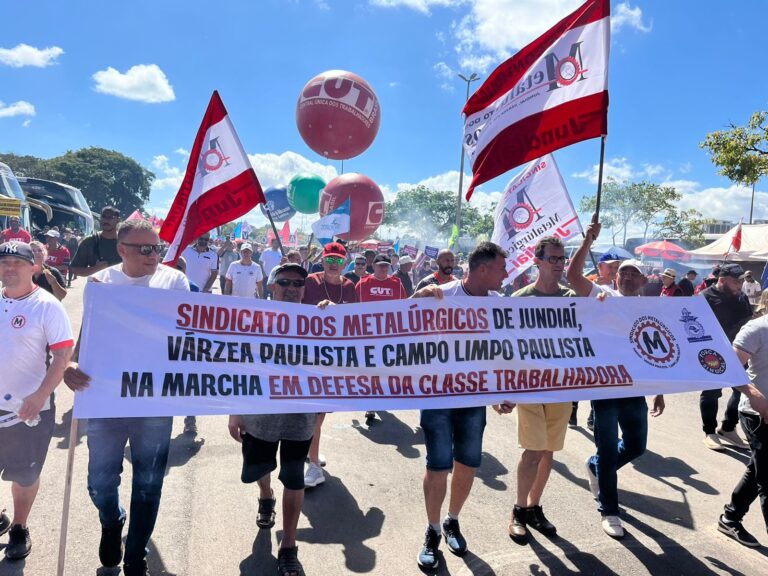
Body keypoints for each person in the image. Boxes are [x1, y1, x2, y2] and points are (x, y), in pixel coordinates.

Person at [63, 220, 189, 576]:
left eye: (157, 248)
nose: (154, 256)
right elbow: (89, 333)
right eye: (145, 249)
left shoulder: (173, 280)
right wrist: (72, 361)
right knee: (100, 481)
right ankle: (111, 519)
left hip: (154, 398)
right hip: (105, 398)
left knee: (149, 482)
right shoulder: (102, 283)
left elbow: (191, 326)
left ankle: (135, 554)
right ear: (122, 249)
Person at [411, 241, 508, 569]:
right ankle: (433, 528)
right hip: (437, 395)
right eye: (501, 268)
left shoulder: (501, 304)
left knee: (468, 462)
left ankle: (452, 519)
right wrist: (416, 299)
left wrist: (503, 391)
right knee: (437, 465)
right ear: (483, 269)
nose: (506, 274)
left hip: (474, 398)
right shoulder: (443, 293)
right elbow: (396, 323)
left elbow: (509, 349)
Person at [567, 216, 665, 539]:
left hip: (635, 388)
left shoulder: (651, 308)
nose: (626, 277)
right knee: (609, 449)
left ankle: (596, 466)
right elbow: (572, 276)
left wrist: (659, 390)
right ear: (615, 276)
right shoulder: (601, 294)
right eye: (622, 272)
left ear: (642, 281)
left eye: (633, 273)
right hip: (605, 386)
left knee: (636, 446)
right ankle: (609, 509)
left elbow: (657, 352)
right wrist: (587, 242)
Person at [228, 262, 317, 576]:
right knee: (260, 469)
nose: (292, 288)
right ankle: (266, 496)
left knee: (294, 478)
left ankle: (289, 545)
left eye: (298, 283)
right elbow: (237, 365)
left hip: (300, 416)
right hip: (259, 417)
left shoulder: (319, 319)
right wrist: (234, 411)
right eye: (285, 282)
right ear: (271, 286)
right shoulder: (252, 319)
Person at [0, 241, 74, 560]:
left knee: (24, 475)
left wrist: (41, 395)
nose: (9, 268)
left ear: (34, 268)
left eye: (17, 262)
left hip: (29, 410)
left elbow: (62, 356)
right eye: (4, 262)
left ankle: (19, 527)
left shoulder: (47, 306)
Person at [504, 237, 574, 542]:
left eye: (562, 259)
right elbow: (504, 348)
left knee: (548, 451)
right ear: (538, 260)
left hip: (561, 388)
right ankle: (518, 510)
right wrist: (503, 390)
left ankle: (534, 507)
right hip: (529, 387)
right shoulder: (519, 299)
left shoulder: (574, 298)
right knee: (533, 451)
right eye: (554, 259)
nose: (559, 264)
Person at [301, 242, 357, 487]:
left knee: (319, 412)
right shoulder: (310, 281)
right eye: (329, 260)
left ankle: (311, 452)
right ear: (322, 260)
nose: (334, 264)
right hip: (306, 355)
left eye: (338, 260)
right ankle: (313, 463)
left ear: (345, 263)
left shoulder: (349, 287)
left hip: (333, 358)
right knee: (313, 411)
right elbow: (294, 311)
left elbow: (356, 320)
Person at [717, 316, 768, 547]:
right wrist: (753, 393)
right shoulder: (758, 327)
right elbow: (726, 366)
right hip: (759, 415)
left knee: (758, 468)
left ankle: (730, 517)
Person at [700, 263, 754, 451]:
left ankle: (728, 428)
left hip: (740, 350)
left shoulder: (741, 297)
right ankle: (709, 432)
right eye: (735, 282)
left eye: (740, 281)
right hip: (713, 351)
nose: (739, 285)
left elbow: (748, 320)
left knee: (742, 390)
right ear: (721, 280)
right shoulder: (705, 297)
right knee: (712, 392)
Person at [69, 206, 122, 277]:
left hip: (123, 286)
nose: (106, 220)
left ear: (118, 220)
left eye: (110, 217)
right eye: (103, 216)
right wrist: (95, 269)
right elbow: (75, 270)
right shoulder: (90, 241)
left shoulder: (126, 242)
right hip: (97, 286)